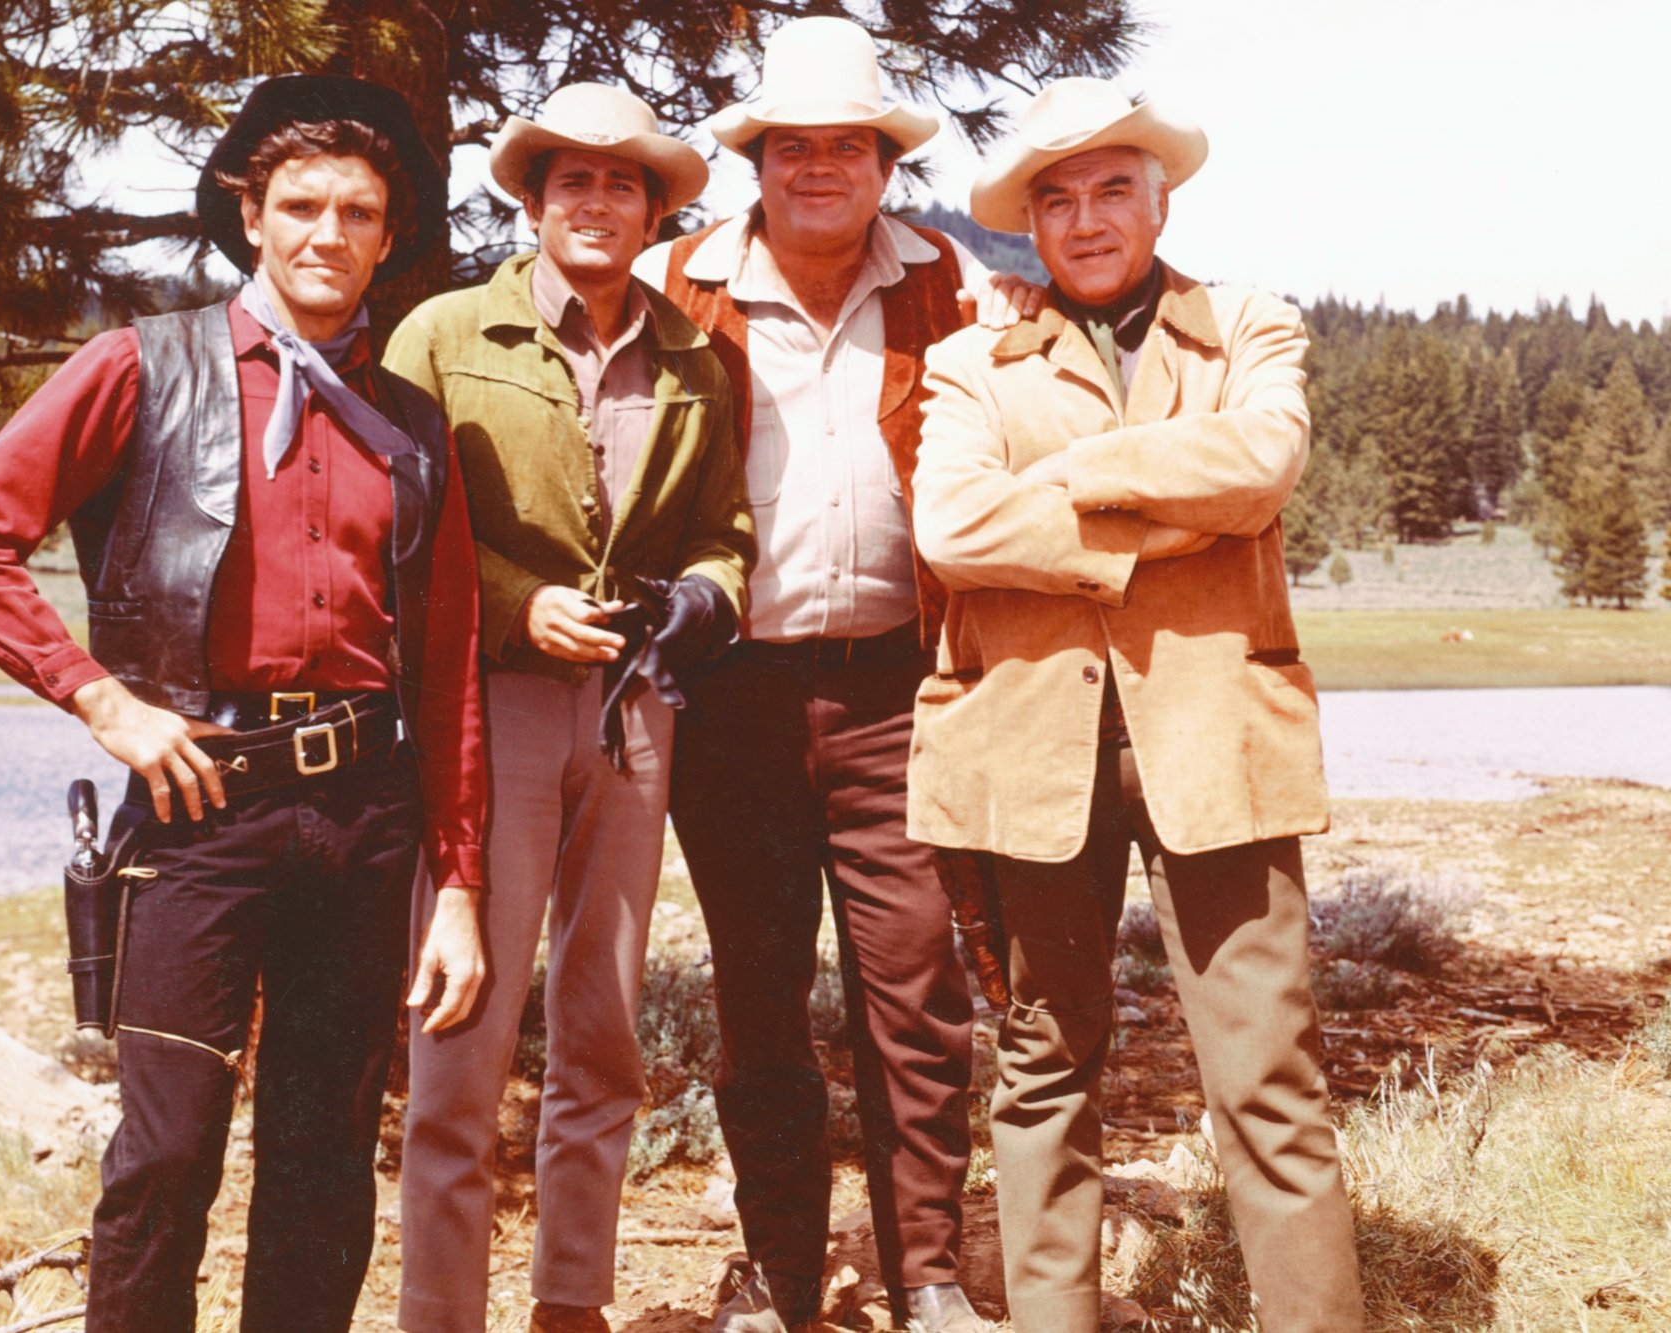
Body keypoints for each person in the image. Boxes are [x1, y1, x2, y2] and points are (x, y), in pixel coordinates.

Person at [0, 75, 487, 1333]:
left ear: (389, 235)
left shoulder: (414, 428)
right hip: (198, 807)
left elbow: (445, 678)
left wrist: (457, 887)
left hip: (363, 815)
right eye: (299, 206)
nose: (325, 233)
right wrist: (103, 703)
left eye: (356, 211)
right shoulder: (143, 366)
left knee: (325, 1159)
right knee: (166, 1153)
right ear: (251, 213)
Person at [906, 77, 1367, 1333]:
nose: (1086, 217)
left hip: (1217, 743)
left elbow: (1257, 463)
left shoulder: (1247, 329)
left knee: (1265, 1071)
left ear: (1160, 199)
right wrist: (1157, 517)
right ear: (1030, 225)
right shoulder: (969, 359)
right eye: (1054, 197)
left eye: (1113, 186)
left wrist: (1068, 474)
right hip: (1021, 754)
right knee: (1043, 1065)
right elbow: (952, 525)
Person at [634, 17, 1039, 1333]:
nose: (820, 167)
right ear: (756, 158)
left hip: (898, 692)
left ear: (882, 161)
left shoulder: (956, 283)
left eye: (846, 146)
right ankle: (782, 1274)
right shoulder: (670, 283)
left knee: (915, 991)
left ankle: (926, 1271)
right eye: (792, 145)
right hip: (732, 694)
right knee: (757, 993)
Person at [383, 83, 752, 1333]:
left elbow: (725, 533)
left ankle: (571, 1305)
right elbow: (396, 530)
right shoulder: (438, 335)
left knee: (600, 1028)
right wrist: (514, 602)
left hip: (636, 715)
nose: (596, 202)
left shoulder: (701, 359)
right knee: (462, 1034)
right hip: (490, 708)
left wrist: (702, 602)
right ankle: (440, 1312)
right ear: (533, 199)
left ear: (656, 209)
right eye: (571, 181)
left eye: (623, 183)